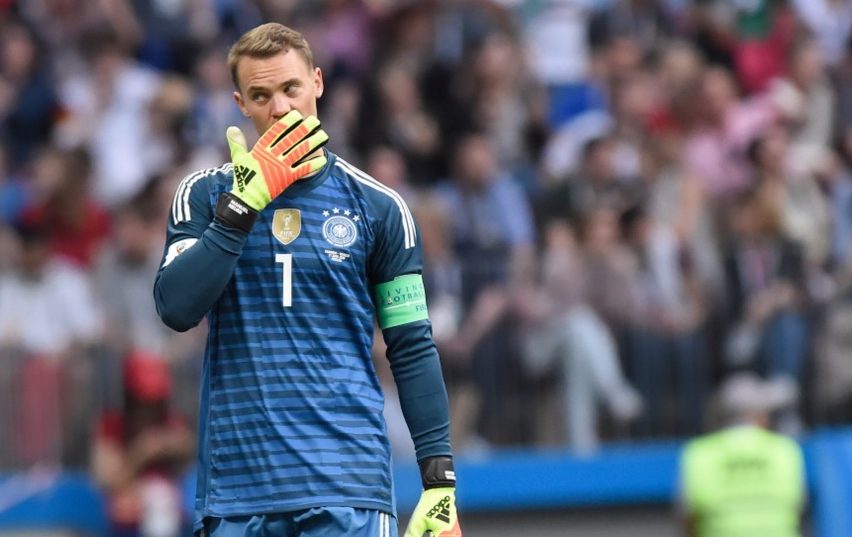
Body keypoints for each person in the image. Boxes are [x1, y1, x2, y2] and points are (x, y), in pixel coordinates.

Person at [153, 23, 460, 537]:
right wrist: (242, 207)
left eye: (290, 88)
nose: (279, 108)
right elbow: (176, 309)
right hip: (237, 491)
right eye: (260, 95)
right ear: (241, 104)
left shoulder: (380, 208)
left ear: (317, 82)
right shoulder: (205, 196)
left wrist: (440, 484)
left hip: (348, 487)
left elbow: (410, 347)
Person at [678, 373, 806, 537]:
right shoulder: (786, 450)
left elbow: (687, 519)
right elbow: (798, 511)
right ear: (760, 414)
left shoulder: (698, 453)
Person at [91, 351, 194, 537]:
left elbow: (187, 446)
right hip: (127, 526)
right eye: (143, 402)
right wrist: (141, 454)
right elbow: (108, 478)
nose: (149, 410)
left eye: (155, 402)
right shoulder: (112, 426)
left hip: (170, 520)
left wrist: (164, 445)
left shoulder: (170, 422)